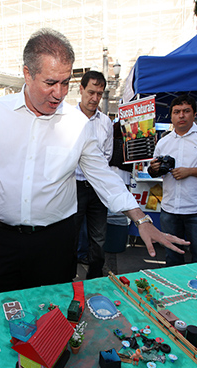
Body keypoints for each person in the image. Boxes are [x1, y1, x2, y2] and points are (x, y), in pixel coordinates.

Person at [0, 28, 188, 298]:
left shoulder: (77, 123)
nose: (59, 93)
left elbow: (102, 175)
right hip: (6, 241)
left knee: (55, 319)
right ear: (27, 74)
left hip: (56, 242)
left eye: (65, 82)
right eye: (50, 82)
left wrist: (140, 218)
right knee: (1, 315)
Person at [148, 95, 197, 267]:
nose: (181, 115)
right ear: (171, 116)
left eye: (186, 111)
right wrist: (154, 169)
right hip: (170, 209)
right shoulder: (163, 142)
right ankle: (174, 292)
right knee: (172, 258)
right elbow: (155, 170)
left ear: (194, 114)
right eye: (177, 112)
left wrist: (190, 172)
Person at [73, 70, 113, 279]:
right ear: (80, 89)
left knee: (98, 238)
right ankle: (66, 279)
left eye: (99, 93)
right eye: (91, 92)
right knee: (70, 235)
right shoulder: (66, 119)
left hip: (97, 188)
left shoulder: (105, 122)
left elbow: (106, 156)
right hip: (73, 186)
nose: (95, 98)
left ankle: (95, 279)